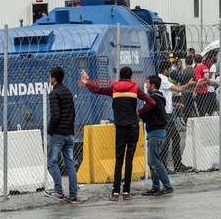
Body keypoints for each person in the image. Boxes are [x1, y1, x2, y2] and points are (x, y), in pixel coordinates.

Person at [81, 66, 155, 201]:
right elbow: (151, 102)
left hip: (120, 127)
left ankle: (115, 191)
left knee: (119, 159)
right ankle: (126, 191)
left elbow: (97, 90)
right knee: (129, 159)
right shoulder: (135, 89)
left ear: (120, 76)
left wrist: (86, 82)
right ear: (131, 76)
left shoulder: (114, 88)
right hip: (133, 126)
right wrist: (139, 112)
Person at [44, 67, 78, 203]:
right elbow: (73, 113)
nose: (49, 79)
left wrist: (50, 130)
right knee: (69, 164)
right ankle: (73, 194)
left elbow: (55, 115)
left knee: (51, 162)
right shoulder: (68, 91)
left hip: (58, 133)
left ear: (54, 78)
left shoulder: (54, 93)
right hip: (69, 133)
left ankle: (58, 191)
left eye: (49, 77)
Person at [158, 60, 194, 173]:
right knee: (168, 140)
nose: (171, 71)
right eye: (170, 69)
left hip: (167, 113)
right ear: (165, 70)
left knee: (175, 138)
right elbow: (179, 89)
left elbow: (164, 98)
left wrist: (174, 104)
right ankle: (165, 166)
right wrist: (189, 84)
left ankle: (177, 165)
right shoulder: (162, 80)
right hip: (165, 115)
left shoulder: (163, 80)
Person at [140, 75, 173, 196]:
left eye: (148, 83)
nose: (146, 85)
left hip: (155, 132)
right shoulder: (158, 97)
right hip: (156, 132)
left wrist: (140, 113)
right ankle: (155, 187)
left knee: (155, 161)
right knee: (152, 161)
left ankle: (167, 186)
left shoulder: (153, 99)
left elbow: (145, 112)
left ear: (153, 85)